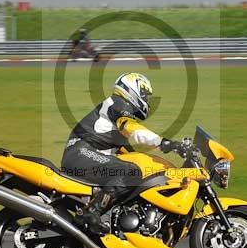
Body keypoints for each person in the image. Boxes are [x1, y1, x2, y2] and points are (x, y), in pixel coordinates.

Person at [60, 72, 182, 233]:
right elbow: (133, 129)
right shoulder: (119, 104)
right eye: (144, 94)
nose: (146, 100)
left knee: (133, 170)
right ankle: (92, 212)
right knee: (130, 172)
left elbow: (130, 153)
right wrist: (163, 142)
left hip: (83, 154)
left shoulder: (115, 113)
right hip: (81, 153)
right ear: (132, 89)